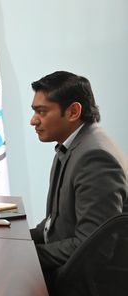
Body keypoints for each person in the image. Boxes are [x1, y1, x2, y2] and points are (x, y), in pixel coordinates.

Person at [28, 71, 128, 286]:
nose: (33, 120)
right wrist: (17, 242)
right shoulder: (73, 144)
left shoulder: (96, 157)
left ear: (73, 111)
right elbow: (54, 223)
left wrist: (28, 257)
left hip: (78, 281)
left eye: (41, 111)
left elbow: (92, 247)